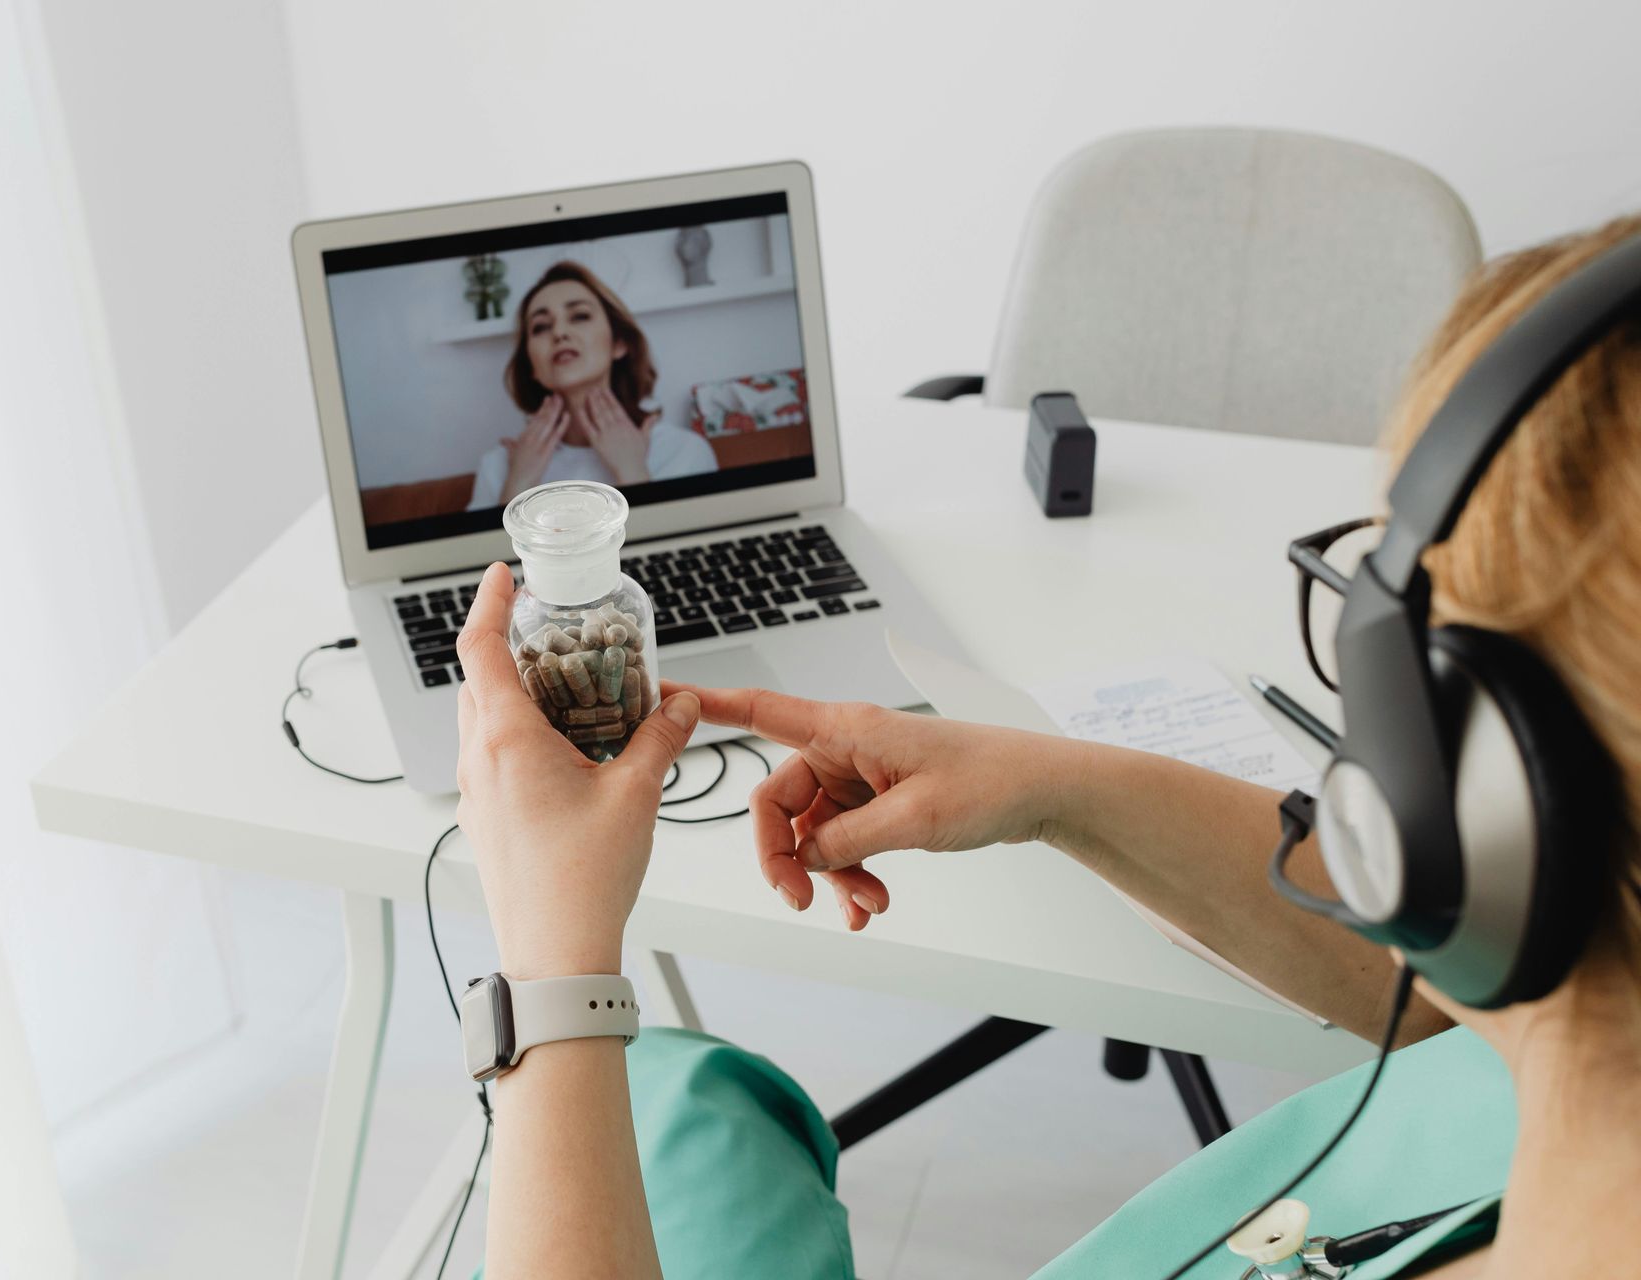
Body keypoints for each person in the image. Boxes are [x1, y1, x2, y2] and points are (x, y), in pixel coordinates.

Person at [451, 214, 1641, 1278]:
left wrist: (550, 964)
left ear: (1500, 794)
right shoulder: (1572, 995)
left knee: (672, 1090)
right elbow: (1421, 982)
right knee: (685, 1083)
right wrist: (1051, 783)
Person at [467, 260, 717, 510]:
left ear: (618, 343)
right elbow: (489, 551)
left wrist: (633, 473)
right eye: (541, 327)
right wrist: (518, 485)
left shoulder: (683, 452)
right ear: (531, 365)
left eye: (579, 316)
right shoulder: (499, 466)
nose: (560, 333)